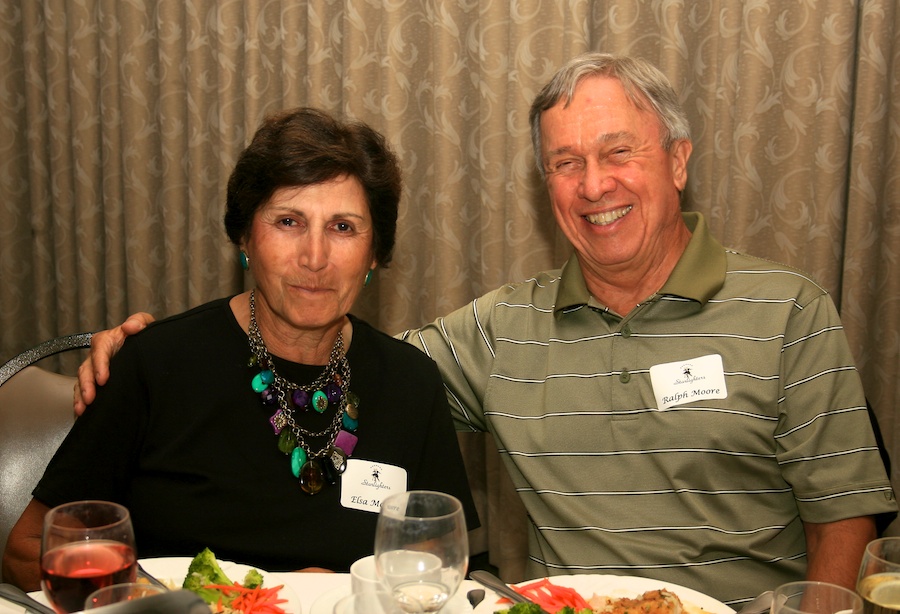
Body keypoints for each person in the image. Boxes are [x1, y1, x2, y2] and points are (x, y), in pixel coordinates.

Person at [67, 54, 895, 607]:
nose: (593, 184)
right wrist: (143, 349)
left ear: (677, 160)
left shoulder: (787, 308)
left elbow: (844, 518)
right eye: (565, 162)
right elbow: (328, 353)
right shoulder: (497, 331)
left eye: (618, 152)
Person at [1, 107, 478, 591]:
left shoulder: (411, 382)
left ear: (375, 253)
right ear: (245, 238)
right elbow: (27, 553)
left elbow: (440, 572)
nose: (315, 258)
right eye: (289, 221)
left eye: (342, 227)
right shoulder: (157, 365)